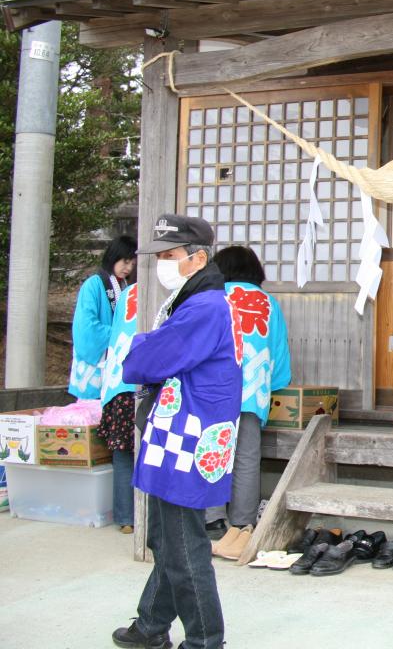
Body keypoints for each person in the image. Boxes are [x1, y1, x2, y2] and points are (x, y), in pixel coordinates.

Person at [112, 214, 240, 649]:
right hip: (181, 432)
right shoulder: (198, 301)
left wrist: (142, 344)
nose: (162, 264)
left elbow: (144, 362)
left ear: (197, 258)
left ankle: (206, 639)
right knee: (167, 538)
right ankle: (151, 625)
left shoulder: (202, 307)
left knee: (183, 544)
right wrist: (149, 345)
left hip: (185, 436)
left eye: (169, 256)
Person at [204, 246, 292, 537]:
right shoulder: (267, 302)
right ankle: (243, 523)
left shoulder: (213, 297)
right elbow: (278, 353)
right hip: (253, 391)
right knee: (246, 457)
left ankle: (213, 518)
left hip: (213, 390)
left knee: (213, 451)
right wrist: (276, 384)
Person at [69, 236, 136, 400]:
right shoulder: (93, 285)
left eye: (132, 264)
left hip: (113, 361)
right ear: (114, 256)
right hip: (95, 364)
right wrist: (119, 336)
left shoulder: (125, 287)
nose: (128, 268)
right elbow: (86, 327)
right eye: (125, 262)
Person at [98, 280, 140, 534]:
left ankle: (126, 518)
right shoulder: (171, 290)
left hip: (118, 380)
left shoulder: (128, 292)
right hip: (148, 383)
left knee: (123, 451)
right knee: (151, 452)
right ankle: (147, 516)